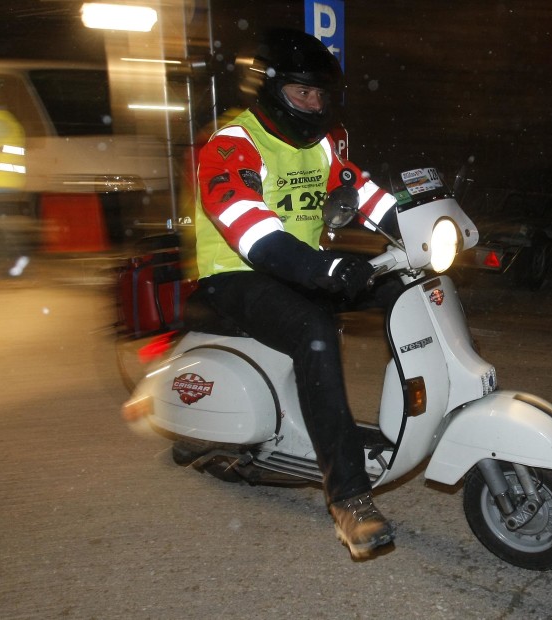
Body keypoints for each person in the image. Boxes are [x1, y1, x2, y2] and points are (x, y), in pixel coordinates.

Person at [191, 28, 398, 559]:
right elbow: (250, 229)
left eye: (320, 94)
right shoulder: (233, 145)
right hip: (236, 273)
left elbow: (360, 191)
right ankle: (349, 499)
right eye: (301, 92)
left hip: (299, 266)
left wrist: (421, 222)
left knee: (405, 291)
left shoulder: (324, 142)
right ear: (269, 87)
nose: (313, 104)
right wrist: (322, 268)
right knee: (315, 330)